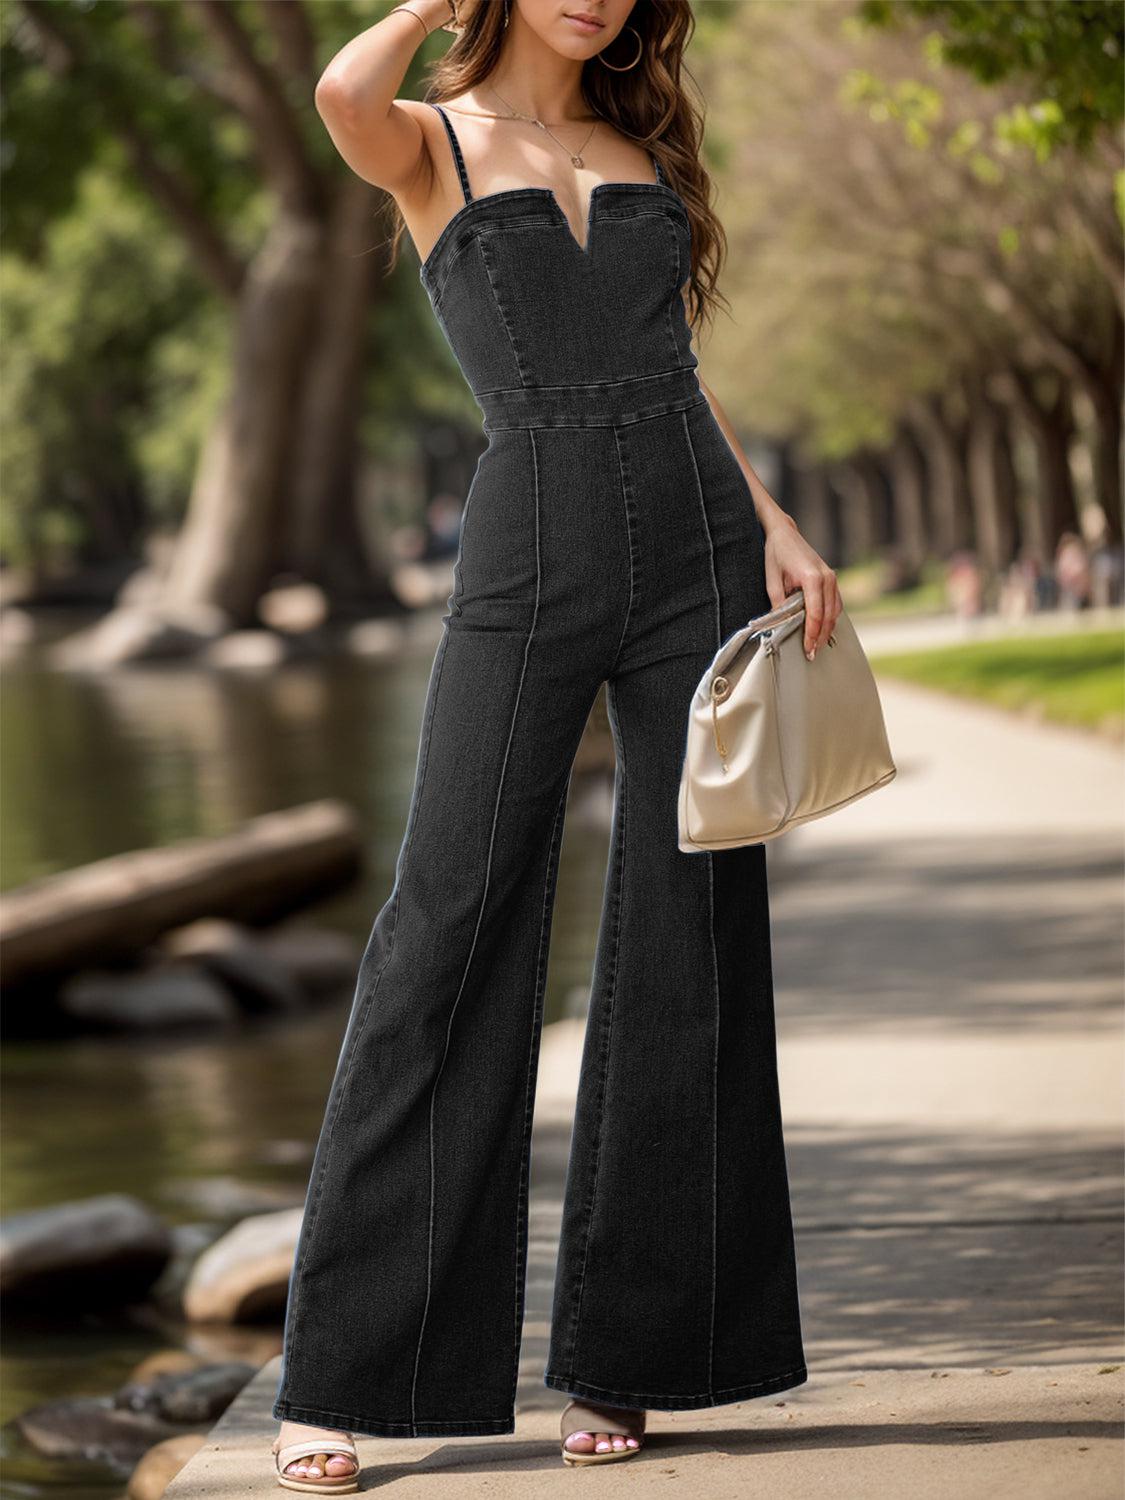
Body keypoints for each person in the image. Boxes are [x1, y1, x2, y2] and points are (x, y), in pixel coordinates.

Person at [271, 0, 843, 1484]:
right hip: (527, 558)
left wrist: (774, 522)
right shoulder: (427, 144)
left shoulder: (635, 140)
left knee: (686, 932)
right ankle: (346, 1375)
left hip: (700, 552)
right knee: (444, 923)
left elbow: (675, 368)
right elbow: (339, 81)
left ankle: (630, 1359)